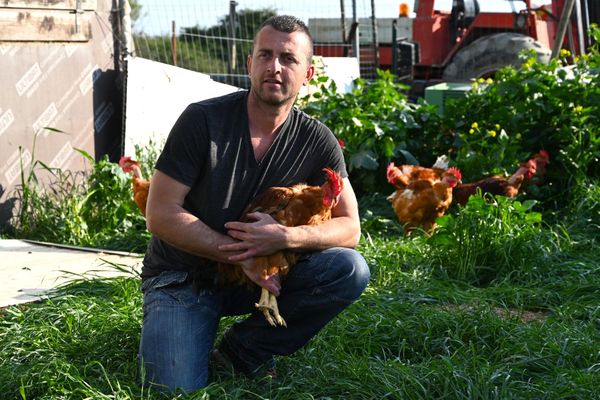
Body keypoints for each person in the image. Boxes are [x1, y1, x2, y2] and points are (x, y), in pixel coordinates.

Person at [138, 15, 370, 393]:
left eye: (288, 58)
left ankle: (242, 350)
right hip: (184, 276)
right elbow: (160, 213)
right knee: (174, 389)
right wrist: (241, 253)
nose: (274, 67)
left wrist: (285, 237)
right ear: (249, 64)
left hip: (264, 280)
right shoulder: (203, 121)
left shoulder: (317, 140)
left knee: (348, 269)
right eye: (264, 54)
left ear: (307, 73)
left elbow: (351, 227)